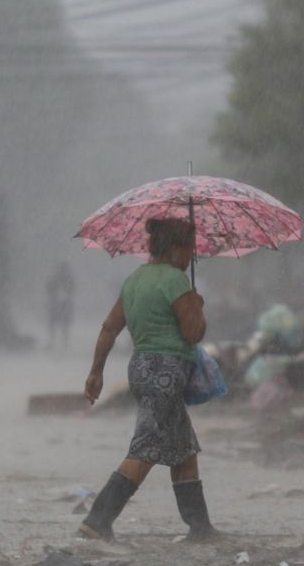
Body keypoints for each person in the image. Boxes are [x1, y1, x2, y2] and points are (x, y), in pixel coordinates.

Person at [78, 218, 219, 542]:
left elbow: (110, 328)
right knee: (144, 450)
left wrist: (96, 372)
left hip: (141, 368)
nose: (191, 256)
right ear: (174, 249)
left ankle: (200, 528)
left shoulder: (134, 280)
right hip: (167, 374)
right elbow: (192, 333)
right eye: (188, 249)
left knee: (183, 450)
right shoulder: (176, 281)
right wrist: (197, 305)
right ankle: (97, 520)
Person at [46, 261, 75, 349]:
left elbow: (49, 288)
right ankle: (56, 342)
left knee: (61, 324)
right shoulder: (59, 278)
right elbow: (49, 288)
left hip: (62, 304)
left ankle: (60, 342)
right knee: (59, 324)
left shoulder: (59, 278)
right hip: (59, 304)